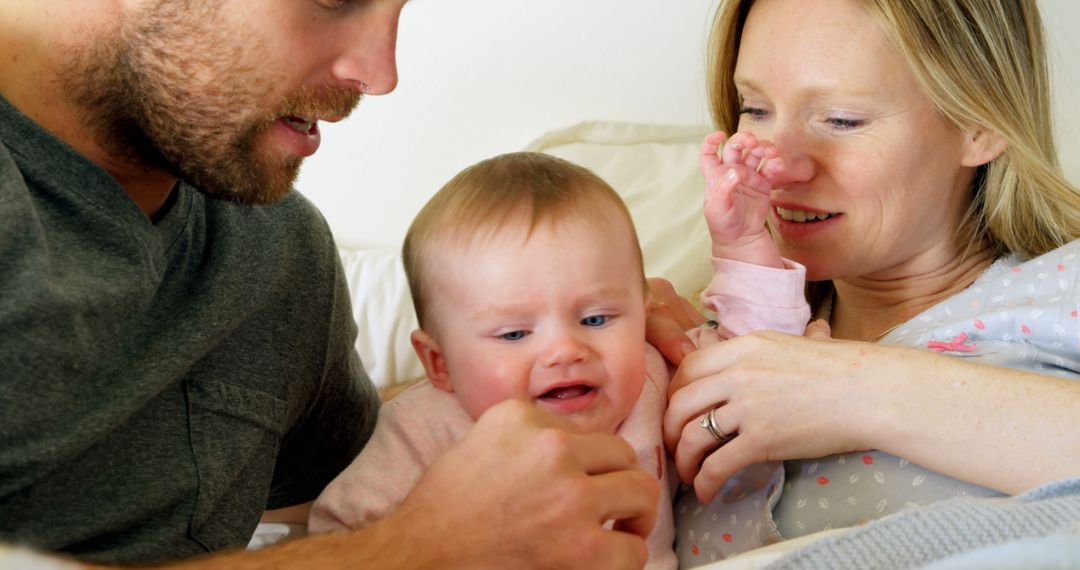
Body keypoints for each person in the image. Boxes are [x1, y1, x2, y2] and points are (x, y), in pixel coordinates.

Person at [0, 2, 661, 569]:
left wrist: (589, 338)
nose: (380, 75)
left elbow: (367, 481)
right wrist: (412, 553)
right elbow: (419, 536)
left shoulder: (277, 251)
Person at [645, 0, 1080, 566]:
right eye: (754, 109)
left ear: (982, 122)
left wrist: (849, 391)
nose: (780, 164)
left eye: (842, 119)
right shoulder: (710, 338)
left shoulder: (1060, 288)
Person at [308, 149, 810, 568]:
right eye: (513, 333)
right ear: (439, 363)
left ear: (644, 309)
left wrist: (741, 240)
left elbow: (759, 363)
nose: (566, 351)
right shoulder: (420, 431)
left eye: (596, 319)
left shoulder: (653, 379)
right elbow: (347, 539)